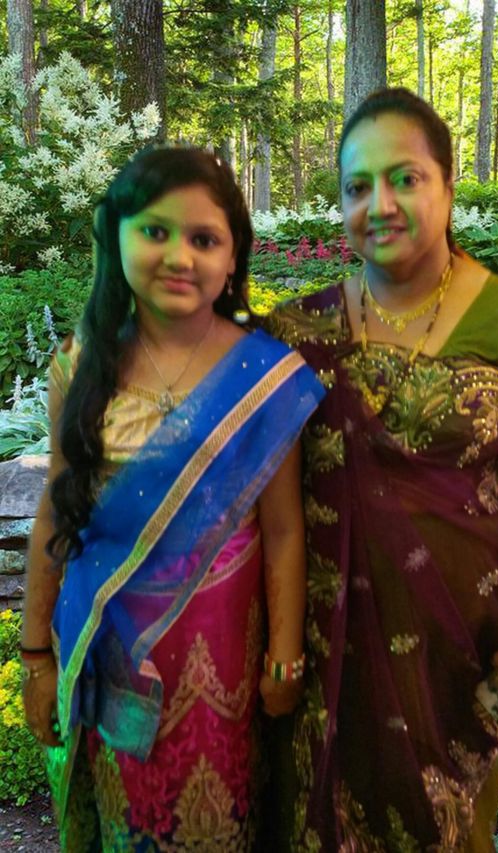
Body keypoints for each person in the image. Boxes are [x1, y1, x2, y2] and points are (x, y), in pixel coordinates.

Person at [264, 88, 498, 850]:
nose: (379, 204)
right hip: (332, 660)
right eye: (357, 186)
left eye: (405, 178)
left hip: (461, 658)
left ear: (447, 183)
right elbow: (268, 510)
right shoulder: (296, 331)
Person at [20, 145, 324, 851]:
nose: (180, 256)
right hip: (105, 650)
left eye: (204, 239)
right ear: (116, 235)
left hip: (222, 668)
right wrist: (35, 656)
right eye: (155, 231)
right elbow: (55, 513)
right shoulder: (79, 365)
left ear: (233, 256)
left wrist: (284, 658)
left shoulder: (263, 376)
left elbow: (283, 531)